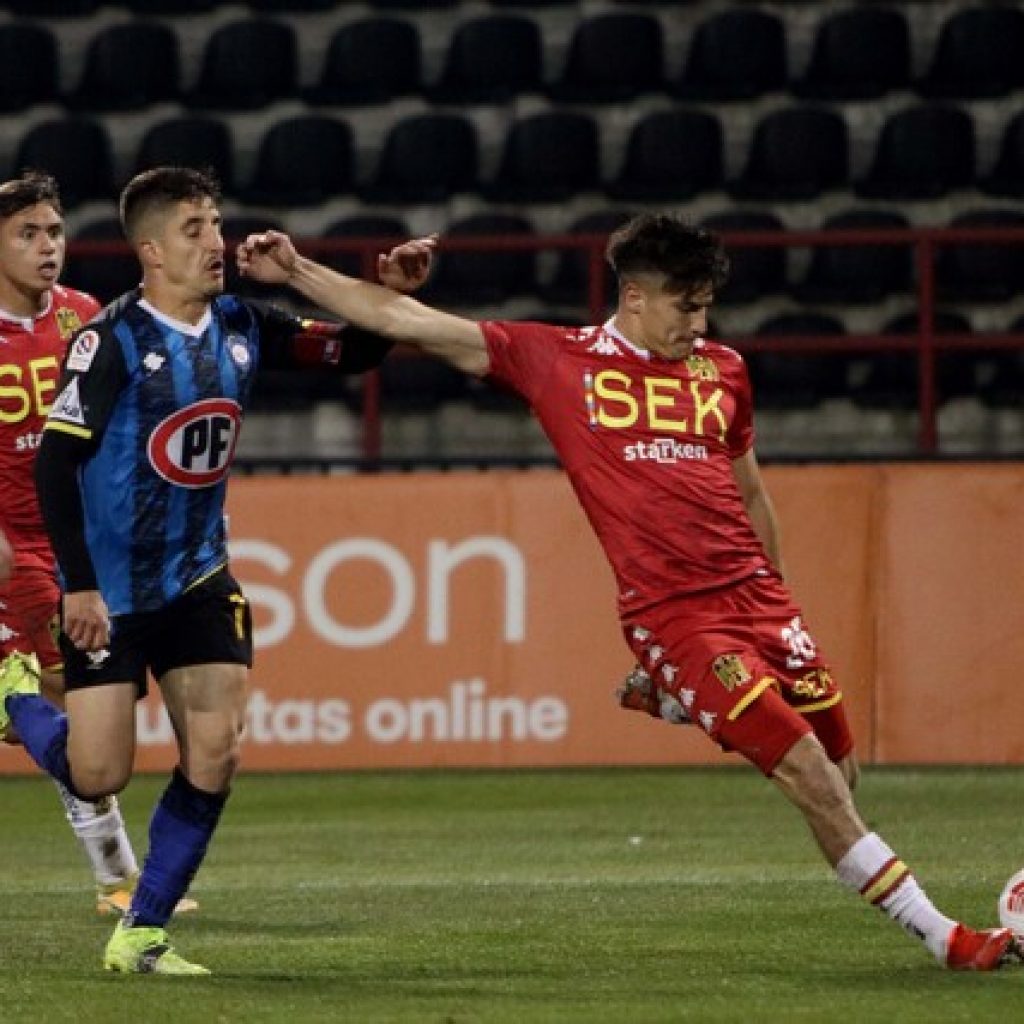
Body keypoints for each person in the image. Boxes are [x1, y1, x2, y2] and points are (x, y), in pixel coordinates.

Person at [235, 214, 1019, 972]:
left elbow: (750, 493)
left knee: (842, 777)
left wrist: (777, 600)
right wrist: (297, 270)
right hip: (675, 618)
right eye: (687, 305)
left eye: (707, 305)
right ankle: (943, 935)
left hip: (760, 604)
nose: (699, 321)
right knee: (810, 774)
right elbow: (411, 321)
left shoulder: (725, 372)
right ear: (635, 296)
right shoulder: (557, 360)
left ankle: (678, 700)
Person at [0, 166, 429, 976]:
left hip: (199, 575)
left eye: (217, 223)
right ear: (151, 250)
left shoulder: (239, 321)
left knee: (218, 747)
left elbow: (350, 355)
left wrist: (386, 293)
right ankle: (16, 695)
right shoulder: (112, 339)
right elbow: (57, 463)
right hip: (114, 592)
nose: (216, 241)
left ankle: (142, 933)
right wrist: (81, 585)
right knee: (99, 772)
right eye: (195, 228)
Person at [0, 171, 196, 917]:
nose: (48, 248)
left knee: (80, 714)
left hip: (81, 546)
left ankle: (11, 701)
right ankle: (119, 878)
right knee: (80, 710)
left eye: (53, 232)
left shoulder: (85, 317)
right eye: (27, 234)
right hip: (13, 548)